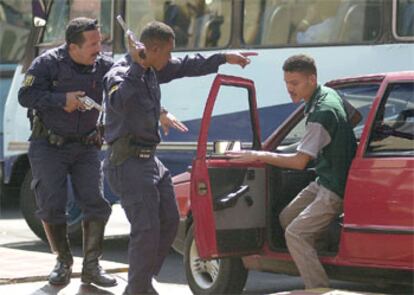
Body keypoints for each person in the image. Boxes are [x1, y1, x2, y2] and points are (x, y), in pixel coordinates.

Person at [103, 21, 252, 295]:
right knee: (146, 229)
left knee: (171, 221)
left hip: (150, 161)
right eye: (167, 53)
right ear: (153, 49)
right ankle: (138, 289)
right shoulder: (122, 72)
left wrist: (223, 58)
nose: (171, 59)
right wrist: (137, 66)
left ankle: (143, 280)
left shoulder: (152, 68)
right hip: (127, 161)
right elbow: (118, 102)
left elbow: (185, 66)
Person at [227, 54, 359, 289]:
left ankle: (318, 288)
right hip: (325, 178)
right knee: (286, 218)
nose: (289, 89)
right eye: (287, 83)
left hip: (335, 187)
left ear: (311, 79)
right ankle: (317, 255)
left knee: (296, 234)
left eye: (295, 83)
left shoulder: (322, 112)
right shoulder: (328, 92)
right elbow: (355, 117)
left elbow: (299, 163)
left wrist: (259, 155)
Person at [17, 17, 117, 287]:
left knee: (96, 204)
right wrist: (62, 100)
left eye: (100, 41)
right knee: (51, 205)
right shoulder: (47, 64)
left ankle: (92, 267)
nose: (100, 48)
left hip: (86, 146)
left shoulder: (104, 65)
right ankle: (62, 262)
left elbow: (130, 78)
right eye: (94, 43)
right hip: (49, 146)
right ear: (73, 47)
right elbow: (25, 96)